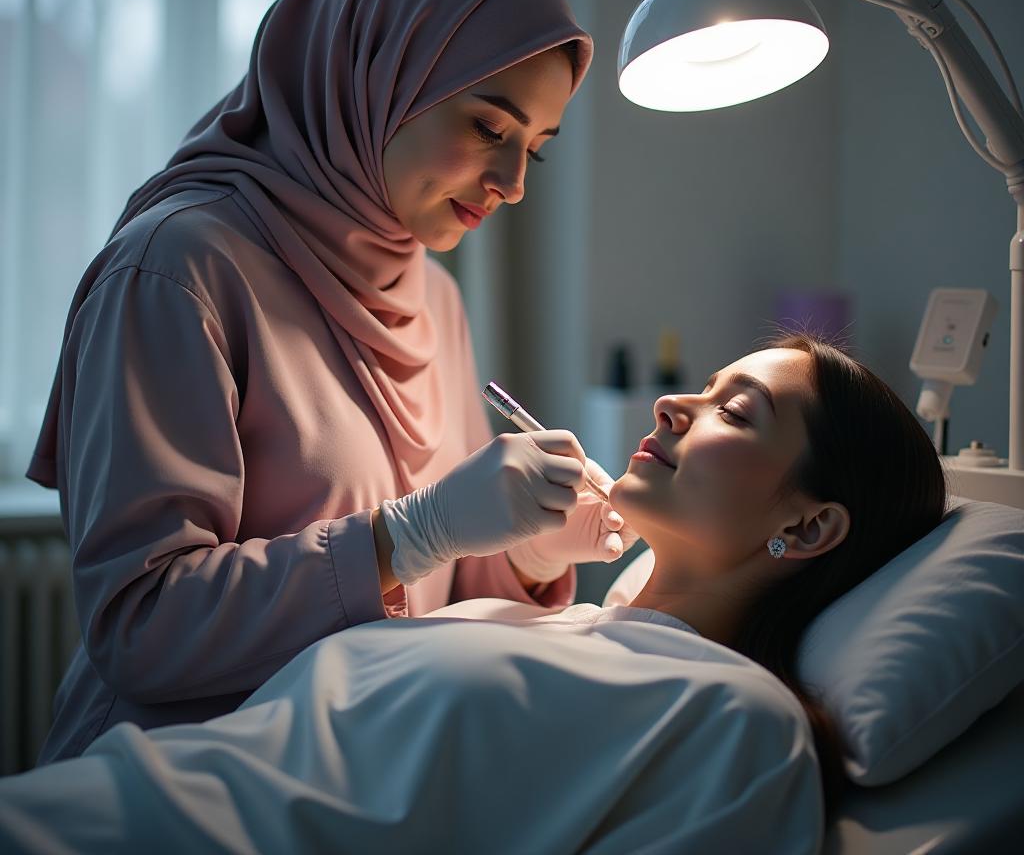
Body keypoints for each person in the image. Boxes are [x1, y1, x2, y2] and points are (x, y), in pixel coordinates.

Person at [24, 0, 633, 764]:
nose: (513, 183)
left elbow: (442, 596)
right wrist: (407, 534)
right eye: (490, 129)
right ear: (377, 76)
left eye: (535, 149)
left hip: (345, 775)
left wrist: (524, 554)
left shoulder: (432, 293)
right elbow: (143, 625)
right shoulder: (177, 269)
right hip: (175, 778)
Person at [0, 333, 947, 854]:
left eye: (737, 410)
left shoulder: (737, 724)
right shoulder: (553, 624)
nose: (675, 406)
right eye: (702, 386)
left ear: (813, 527)